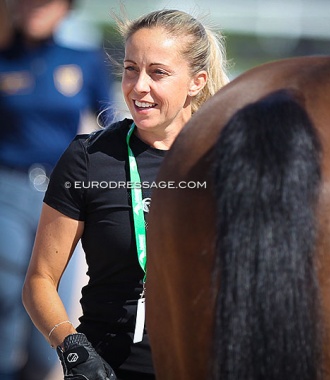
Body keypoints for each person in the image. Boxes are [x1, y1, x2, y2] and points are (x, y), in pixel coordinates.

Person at [22, 8, 229, 380]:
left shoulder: (228, 161)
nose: (139, 86)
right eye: (131, 68)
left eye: (158, 72)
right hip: (106, 368)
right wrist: (71, 350)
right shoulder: (89, 158)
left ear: (196, 82)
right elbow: (39, 281)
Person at [0, 0, 114, 379]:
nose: (34, 8)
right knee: (5, 284)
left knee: (51, 300)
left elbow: (108, 124)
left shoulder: (83, 60)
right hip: (7, 187)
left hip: (62, 193)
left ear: (65, 9)